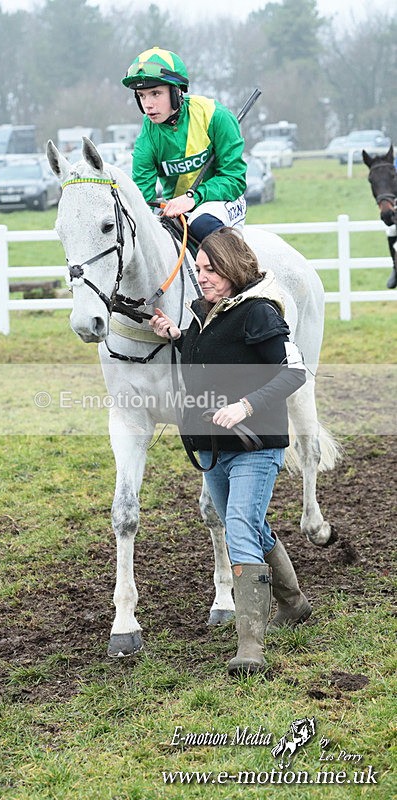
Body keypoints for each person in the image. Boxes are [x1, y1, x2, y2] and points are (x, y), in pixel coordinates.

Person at [149, 227, 311, 676]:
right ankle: (294, 602)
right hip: (215, 448)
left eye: (211, 269)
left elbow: (293, 372)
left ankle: (250, 646)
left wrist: (246, 404)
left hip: (257, 444)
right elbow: (214, 356)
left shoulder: (259, 312)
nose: (202, 277)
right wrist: (177, 335)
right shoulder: (207, 314)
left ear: (234, 268)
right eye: (198, 269)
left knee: (239, 526)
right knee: (248, 523)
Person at [121, 46, 247, 241]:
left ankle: (243, 270)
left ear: (176, 91)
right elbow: (141, 198)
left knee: (201, 223)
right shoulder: (147, 137)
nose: (148, 104)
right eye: (142, 95)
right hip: (176, 209)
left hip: (223, 201)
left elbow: (235, 179)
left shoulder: (216, 116)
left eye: (155, 93)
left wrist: (193, 197)